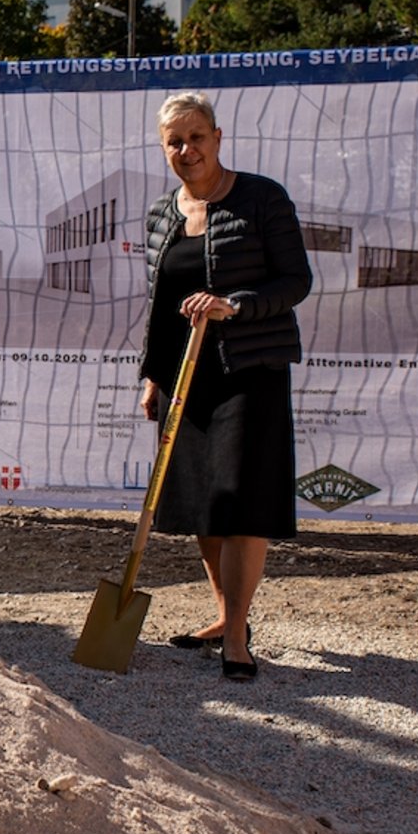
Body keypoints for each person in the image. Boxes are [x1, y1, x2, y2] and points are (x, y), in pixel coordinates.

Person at [139, 91, 312, 681]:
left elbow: (296, 281)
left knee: (242, 503)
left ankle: (237, 633)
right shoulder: (162, 214)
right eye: (174, 142)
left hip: (250, 369)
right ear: (164, 148)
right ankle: (224, 613)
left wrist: (234, 306)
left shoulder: (262, 199)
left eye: (196, 138)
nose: (187, 150)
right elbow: (161, 305)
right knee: (203, 507)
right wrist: (151, 375)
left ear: (217, 137)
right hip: (186, 377)